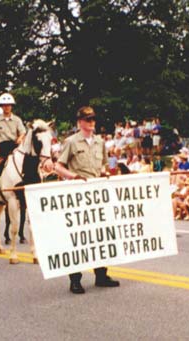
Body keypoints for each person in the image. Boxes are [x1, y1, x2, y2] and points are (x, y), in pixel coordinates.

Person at [54, 106, 120, 294]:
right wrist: (73, 176)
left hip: (97, 193)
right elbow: (58, 166)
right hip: (78, 193)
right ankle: (75, 279)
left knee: (101, 235)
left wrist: (107, 173)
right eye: (88, 119)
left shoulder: (100, 142)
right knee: (79, 237)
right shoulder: (71, 142)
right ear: (80, 122)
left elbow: (105, 165)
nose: (92, 122)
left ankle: (101, 274)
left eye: (93, 119)